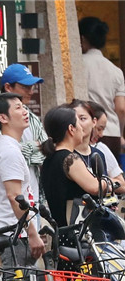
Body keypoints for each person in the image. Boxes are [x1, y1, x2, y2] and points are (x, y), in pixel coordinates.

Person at [0, 93, 45, 266]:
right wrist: (32, 233)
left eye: (24, 107)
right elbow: (14, 196)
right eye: (18, 108)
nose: (25, 111)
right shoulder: (9, 151)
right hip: (15, 236)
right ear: (3, 118)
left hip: (6, 232)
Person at [0, 63, 48, 209]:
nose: (31, 91)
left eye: (32, 87)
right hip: (8, 204)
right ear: (8, 87)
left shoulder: (30, 115)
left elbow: (47, 147)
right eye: (25, 87)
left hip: (34, 196)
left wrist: (33, 149)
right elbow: (7, 150)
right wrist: (34, 147)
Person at [40, 106, 106, 227]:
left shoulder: (49, 159)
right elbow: (95, 187)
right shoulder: (70, 159)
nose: (81, 128)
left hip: (60, 231)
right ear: (71, 129)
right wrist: (108, 183)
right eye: (78, 123)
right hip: (77, 233)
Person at [79, 16, 125, 160]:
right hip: (112, 133)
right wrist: (120, 134)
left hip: (87, 132)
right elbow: (121, 108)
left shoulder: (78, 65)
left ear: (82, 38)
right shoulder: (116, 71)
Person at [89, 100, 125, 192]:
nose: (101, 135)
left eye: (103, 129)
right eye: (99, 129)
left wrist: (103, 182)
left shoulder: (100, 148)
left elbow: (122, 184)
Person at [69, 99, 107, 176]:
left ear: (94, 122)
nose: (78, 123)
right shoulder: (66, 154)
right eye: (73, 119)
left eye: (82, 118)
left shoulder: (99, 154)